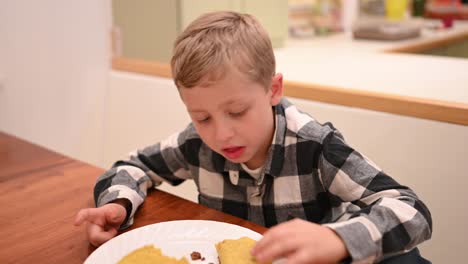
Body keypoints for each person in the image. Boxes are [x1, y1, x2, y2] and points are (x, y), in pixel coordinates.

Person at [74, 11, 432, 263]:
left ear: (273, 89)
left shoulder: (315, 146)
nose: (221, 133)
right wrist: (118, 204)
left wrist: (336, 239)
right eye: (202, 117)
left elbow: (411, 210)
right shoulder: (195, 144)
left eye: (237, 111)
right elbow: (132, 166)